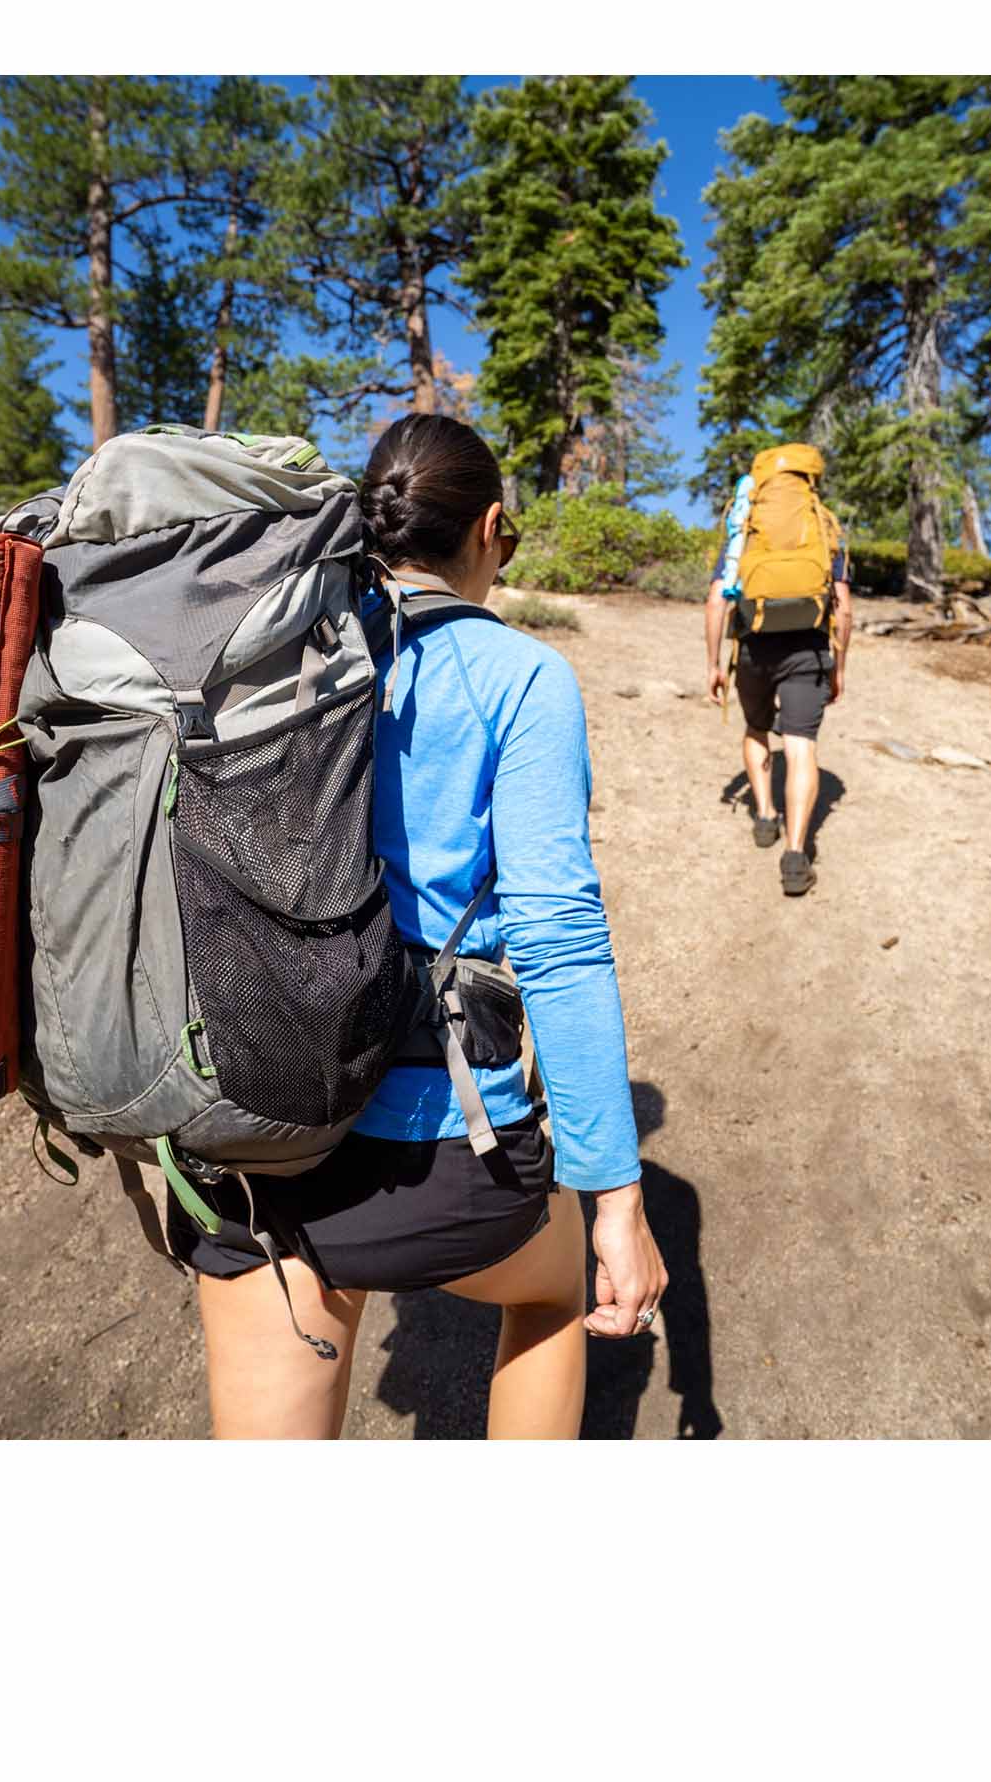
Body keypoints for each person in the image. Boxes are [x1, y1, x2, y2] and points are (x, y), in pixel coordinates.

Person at [168, 413, 666, 1439]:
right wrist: (615, 1196)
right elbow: (558, 938)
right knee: (550, 1291)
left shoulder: (266, 657)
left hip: (243, 1125)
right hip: (438, 1149)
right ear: (489, 528)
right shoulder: (519, 675)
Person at [703, 454, 853, 898]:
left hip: (754, 647)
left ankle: (766, 815)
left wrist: (713, 664)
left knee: (756, 727)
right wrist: (840, 665)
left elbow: (716, 600)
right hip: (809, 649)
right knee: (800, 744)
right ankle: (795, 854)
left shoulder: (747, 526)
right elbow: (844, 607)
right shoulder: (824, 527)